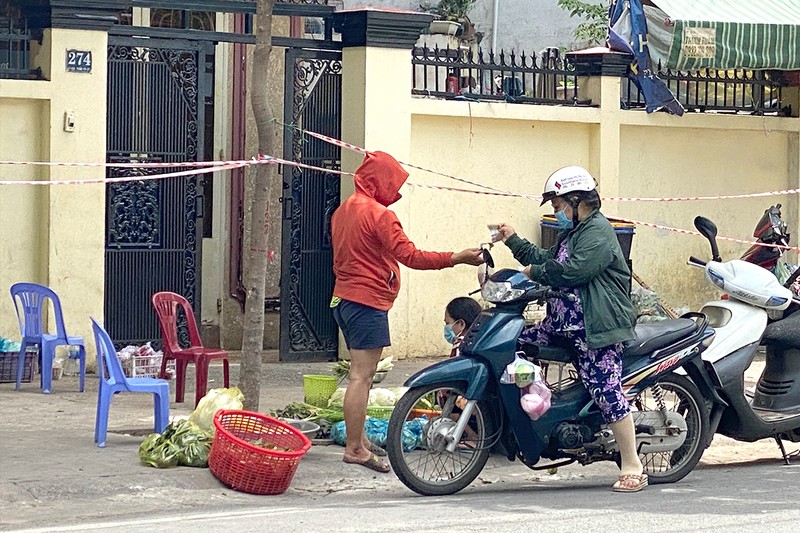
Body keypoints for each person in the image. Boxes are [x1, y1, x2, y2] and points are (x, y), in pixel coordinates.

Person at [331, 150, 484, 474]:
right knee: (362, 376)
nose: (395, 192)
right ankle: (355, 448)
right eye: (392, 183)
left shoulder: (344, 210)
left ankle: (358, 440)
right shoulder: (379, 215)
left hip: (343, 300)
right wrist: (456, 257)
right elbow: (411, 256)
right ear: (380, 180)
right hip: (367, 302)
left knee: (361, 375)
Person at [495, 165, 646, 493]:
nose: (557, 212)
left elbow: (572, 271)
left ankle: (632, 463)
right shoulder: (574, 232)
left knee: (606, 391)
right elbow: (544, 256)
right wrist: (513, 240)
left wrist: (534, 272)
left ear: (578, 201)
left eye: (559, 205)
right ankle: (539, 402)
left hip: (595, 329)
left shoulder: (598, 232)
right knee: (515, 345)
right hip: (561, 326)